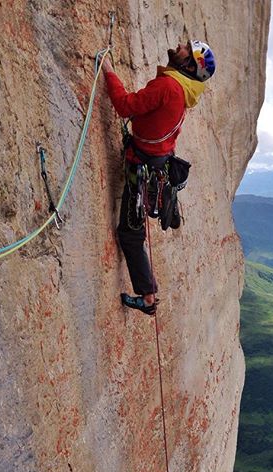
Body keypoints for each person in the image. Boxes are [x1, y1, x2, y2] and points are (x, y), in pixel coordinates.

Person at [103, 40, 216, 315]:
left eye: (186, 49)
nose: (180, 45)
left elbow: (125, 105)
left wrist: (108, 71)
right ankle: (170, 213)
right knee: (134, 227)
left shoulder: (168, 87)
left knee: (130, 233)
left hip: (141, 167)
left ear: (189, 65)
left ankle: (148, 297)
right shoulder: (182, 90)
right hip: (156, 165)